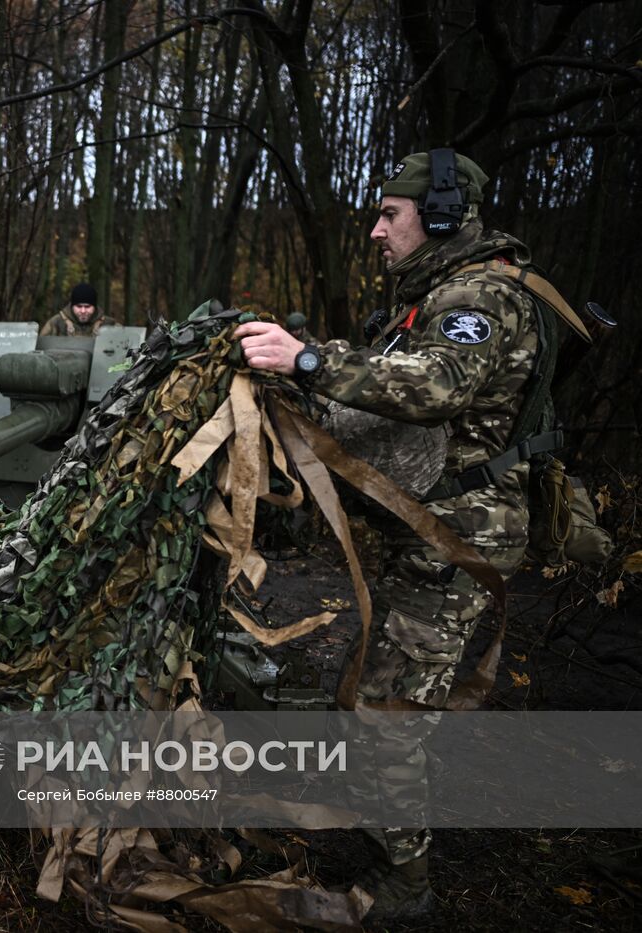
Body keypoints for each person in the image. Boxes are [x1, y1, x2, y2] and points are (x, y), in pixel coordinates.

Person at [236, 151, 549, 920]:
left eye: (389, 215)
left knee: (386, 713)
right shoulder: (438, 291)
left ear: (438, 217)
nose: (376, 231)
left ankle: (403, 885)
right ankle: (388, 841)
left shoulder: (479, 296)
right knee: (378, 692)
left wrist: (307, 358)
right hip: (431, 532)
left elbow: (434, 385)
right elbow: (385, 382)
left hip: (456, 539)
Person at [39, 282, 107, 337]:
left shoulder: (108, 324)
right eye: (79, 306)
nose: (83, 311)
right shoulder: (56, 322)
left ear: (94, 307)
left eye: (87, 307)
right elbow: (39, 349)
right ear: (72, 306)